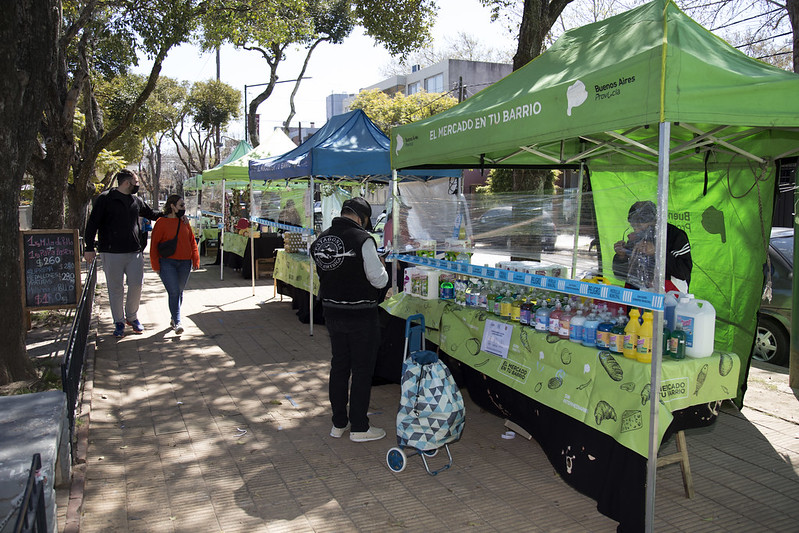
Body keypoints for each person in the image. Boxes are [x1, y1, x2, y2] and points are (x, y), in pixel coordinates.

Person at [310, 197, 389, 442]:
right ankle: (359, 427)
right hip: (361, 314)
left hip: (332, 311)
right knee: (362, 370)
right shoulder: (363, 239)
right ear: (362, 218)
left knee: (339, 366)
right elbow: (379, 280)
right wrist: (383, 266)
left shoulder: (321, 239)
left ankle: (338, 423)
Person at [84, 169, 162, 338]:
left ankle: (132, 317)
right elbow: (92, 224)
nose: (137, 185)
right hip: (111, 252)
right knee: (116, 288)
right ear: (127, 183)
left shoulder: (136, 200)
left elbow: (153, 214)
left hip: (134, 252)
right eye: (136, 182)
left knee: (136, 284)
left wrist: (174, 215)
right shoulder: (105, 199)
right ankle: (118, 322)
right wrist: (88, 247)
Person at [612, 200, 692, 293]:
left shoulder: (675, 235)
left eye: (639, 226)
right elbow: (621, 275)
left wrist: (657, 252)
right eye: (633, 226)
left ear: (653, 221)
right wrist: (621, 257)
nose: (636, 230)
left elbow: (683, 272)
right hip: (638, 294)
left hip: (669, 295)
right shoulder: (637, 237)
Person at [150, 195, 200, 335]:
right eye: (181, 205)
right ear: (172, 206)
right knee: (173, 292)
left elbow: (191, 240)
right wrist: (155, 266)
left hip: (185, 262)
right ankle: (178, 322)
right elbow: (154, 245)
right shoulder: (161, 223)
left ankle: (174, 317)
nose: (184, 208)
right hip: (167, 262)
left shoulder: (184, 221)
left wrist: (195, 258)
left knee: (179, 291)